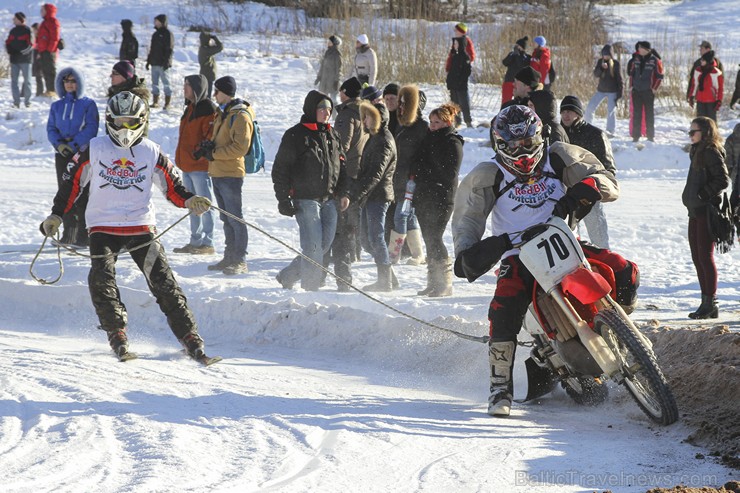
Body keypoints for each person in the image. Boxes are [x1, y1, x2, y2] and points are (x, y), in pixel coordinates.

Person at [451, 105, 638, 417]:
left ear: (538, 137)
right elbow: (467, 219)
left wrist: (583, 190)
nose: (520, 151)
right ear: (500, 144)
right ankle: (500, 387)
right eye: (512, 145)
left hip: (563, 239)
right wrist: (466, 252)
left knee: (625, 271)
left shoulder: (560, 156)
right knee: (504, 306)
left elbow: (607, 179)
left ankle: (618, 327)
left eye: (526, 143)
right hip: (517, 252)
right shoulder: (488, 174)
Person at [39, 91, 213, 360]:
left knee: (164, 283)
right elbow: (72, 183)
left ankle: (189, 335)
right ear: (109, 120)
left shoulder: (151, 151)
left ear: (141, 121)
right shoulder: (93, 148)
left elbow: (174, 188)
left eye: (131, 122)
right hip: (102, 226)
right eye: (119, 122)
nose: (124, 128)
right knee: (102, 279)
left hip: (141, 227)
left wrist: (191, 200)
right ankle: (116, 332)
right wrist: (56, 215)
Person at [272, 90, 349, 291]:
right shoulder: (295, 135)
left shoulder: (333, 135)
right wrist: (283, 199)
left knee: (322, 248)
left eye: (329, 109)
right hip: (306, 200)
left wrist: (344, 192)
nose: (327, 112)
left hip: (330, 199)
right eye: (322, 108)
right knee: (314, 248)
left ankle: (287, 275)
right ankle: (310, 290)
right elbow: (280, 169)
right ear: (311, 109)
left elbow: (342, 167)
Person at [199, 76, 253, 275]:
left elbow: (240, 148)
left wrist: (214, 154)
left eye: (217, 91)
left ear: (226, 92)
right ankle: (229, 256)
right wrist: (210, 147)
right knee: (226, 217)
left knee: (235, 217)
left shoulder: (240, 116)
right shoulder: (224, 113)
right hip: (218, 171)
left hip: (230, 173)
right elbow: (223, 140)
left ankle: (240, 259)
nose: (214, 95)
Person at [412, 103, 464, 297]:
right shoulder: (429, 138)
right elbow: (418, 161)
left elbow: (449, 172)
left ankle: (444, 282)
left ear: (447, 122)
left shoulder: (452, 141)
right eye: (431, 122)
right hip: (424, 196)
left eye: (437, 122)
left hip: (442, 197)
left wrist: (427, 167)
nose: (432, 126)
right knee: (428, 238)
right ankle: (433, 281)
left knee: (435, 237)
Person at [345, 101, 397, 291]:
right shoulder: (374, 138)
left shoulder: (384, 140)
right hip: (370, 195)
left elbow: (375, 173)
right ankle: (390, 276)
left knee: (375, 237)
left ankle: (385, 282)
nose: (364, 120)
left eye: (367, 116)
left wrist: (356, 194)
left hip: (379, 196)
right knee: (367, 240)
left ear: (376, 118)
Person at [682, 117, 730, 319]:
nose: (690, 135)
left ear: (705, 132)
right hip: (694, 211)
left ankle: (710, 303)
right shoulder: (697, 150)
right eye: (690, 131)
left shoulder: (710, 151)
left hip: (706, 212)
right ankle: (706, 302)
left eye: (694, 131)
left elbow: (723, 179)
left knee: (705, 257)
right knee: (697, 257)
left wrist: (703, 195)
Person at [46, 67, 99, 247]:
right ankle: (69, 234)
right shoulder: (57, 105)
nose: (69, 84)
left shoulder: (88, 104)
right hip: (62, 154)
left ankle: (84, 234)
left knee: (82, 193)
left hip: (81, 153)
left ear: (79, 82)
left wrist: (74, 146)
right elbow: (51, 128)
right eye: (66, 81)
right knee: (65, 192)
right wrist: (59, 145)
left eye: (73, 80)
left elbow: (91, 128)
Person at [327, 77, 367, 290]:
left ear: (344, 92)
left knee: (342, 218)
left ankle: (348, 254)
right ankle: (354, 251)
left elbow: (341, 145)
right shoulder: (363, 111)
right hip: (359, 169)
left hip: (347, 171)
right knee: (352, 215)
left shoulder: (345, 115)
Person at [560, 95, 616, 249]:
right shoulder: (557, 134)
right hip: (564, 196)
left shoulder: (596, 135)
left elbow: (608, 168)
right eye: (563, 111)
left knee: (600, 242)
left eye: (570, 111)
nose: (566, 115)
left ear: (579, 113)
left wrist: (594, 185)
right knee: (567, 241)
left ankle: (607, 267)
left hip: (589, 194)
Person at [173, 74, 218, 256]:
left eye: (188, 85)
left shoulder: (208, 109)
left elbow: (209, 137)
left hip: (199, 166)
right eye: (184, 85)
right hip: (187, 166)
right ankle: (195, 240)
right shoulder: (190, 108)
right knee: (193, 204)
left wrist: (197, 154)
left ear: (197, 88)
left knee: (205, 204)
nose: (184, 88)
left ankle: (208, 242)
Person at [389, 84, 428, 266]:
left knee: (401, 216)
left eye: (404, 103)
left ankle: (393, 255)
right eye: (400, 103)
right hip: (399, 178)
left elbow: (423, 156)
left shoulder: (421, 127)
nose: (400, 107)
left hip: (411, 180)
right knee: (409, 215)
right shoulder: (402, 125)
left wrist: (415, 176)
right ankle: (418, 254)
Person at [584, 44, 623, 136]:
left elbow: (619, 78)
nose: (605, 56)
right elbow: (596, 74)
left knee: (610, 111)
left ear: (611, 55)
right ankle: (586, 127)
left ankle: (610, 131)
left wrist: (620, 91)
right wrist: (601, 68)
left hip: (613, 91)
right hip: (601, 90)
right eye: (604, 54)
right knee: (590, 107)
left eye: (607, 55)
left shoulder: (616, 64)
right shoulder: (600, 62)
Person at [628, 41, 663, 143]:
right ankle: (636, 136)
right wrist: (631, 87)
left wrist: (654, 89)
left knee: (649, 114)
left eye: (641, 48)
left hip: (648, 91)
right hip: (636, 90)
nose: (639, 50)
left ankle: (650, 136)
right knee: (636, 113)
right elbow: (631, 74)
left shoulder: (655, 60)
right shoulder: (636, 59)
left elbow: (660, 76)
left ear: (646, 49)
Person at [146, 14, 174, 109]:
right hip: (154, 63)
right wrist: (148, 61)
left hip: (163, 64)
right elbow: (152, 49)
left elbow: (169, 49)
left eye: (157, 21)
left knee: (166, 83)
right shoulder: (155, 34)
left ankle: (167, 103)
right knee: (154, 83)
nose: (155, 23)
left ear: (162, 22)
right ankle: (155, 102)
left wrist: (167, 61)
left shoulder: (167, 34)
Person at [6, 12, 33, 108]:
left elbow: (30, 45)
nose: (13, 20)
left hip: (25, 60)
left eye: (15, 19)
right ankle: (16, 102)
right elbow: (8, 42)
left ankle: (27, 102)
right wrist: (10, 50)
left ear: (20, 19)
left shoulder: (27, 30)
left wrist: (21, 52)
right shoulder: (12, 31)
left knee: (27, 81)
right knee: (14, 81)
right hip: (14, 60)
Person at [687, 50, 724, 122]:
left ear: (708, 61)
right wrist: (691, 96)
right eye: (701, 59)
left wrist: (719, 100)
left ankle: (712, 133)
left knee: (711, 122)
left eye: (703, 60)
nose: (701, 61)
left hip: (712, 102)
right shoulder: (698, 70)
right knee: (700, 122)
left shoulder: (716, 73)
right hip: (700, 100)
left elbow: (720, 89)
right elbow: (694, 85)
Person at [445, 36, 473, 128]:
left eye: (456, 43)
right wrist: (449, 82)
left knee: (464, 104)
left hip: (461, 86)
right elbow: (450, 70)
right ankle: (457, 122)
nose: (454, 45)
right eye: (454, 43)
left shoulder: (465, 56)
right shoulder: (454, 56)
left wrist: (460, 81)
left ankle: (468, 122)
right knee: (454, 105)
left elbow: (467, 72)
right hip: (453, 86)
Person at [687, 40, 723, 106]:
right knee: (700, 116)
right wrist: (690, 95)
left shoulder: (717, 63)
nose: (700, 50)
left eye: (702, 48)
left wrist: (719, 99)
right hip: (700, 98)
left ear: (708, 49)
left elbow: (720, 83)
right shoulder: (697, 63)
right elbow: (692, 80)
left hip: (712, 99)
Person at [37, 3, 60, 98]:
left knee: (50, 71)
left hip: (49, 51)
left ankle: (52, 90)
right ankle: (49, 89)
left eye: (42, 10)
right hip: (43, 51)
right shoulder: (44, 22)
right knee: (45, 71)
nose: (41, 12)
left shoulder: (53, 21)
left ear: (48, 11)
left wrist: (50, 50)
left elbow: (55, 37)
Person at [501, 36, 530, 107]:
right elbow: (505, 62)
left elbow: (520, 65)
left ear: (522, 47)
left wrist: (518, 56)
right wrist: (512, 55)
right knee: (506, 101)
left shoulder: (527, 57)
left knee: (518, 101)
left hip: (520, 83)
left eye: (518, 45)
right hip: (509, 81)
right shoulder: (512, 54)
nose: (516, 47)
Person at [315, 35, 342, 104]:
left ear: (334, 43)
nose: (328, 42)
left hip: (332, 82)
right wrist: (319, 77)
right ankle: (325, 114)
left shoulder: (337, 54)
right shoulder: (327, 52)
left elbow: (339, 69)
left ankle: (335, 114)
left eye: (330, 41)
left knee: (334, 101)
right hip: (324, 81)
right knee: (322, 100)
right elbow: (322, 67)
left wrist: (336, 81)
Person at [198, 31, 223, 97]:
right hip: (207, 75)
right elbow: (220, 47)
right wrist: (214, 38)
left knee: (204, 94)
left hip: (205, 74)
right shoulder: (206, 50)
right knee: (207, 95)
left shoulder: (203, 48)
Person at [31, 23, 44, 96]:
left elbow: (41, 45)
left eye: (34, 30)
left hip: (39, 55)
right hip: (35, 53)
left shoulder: (41, 36)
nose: (34, 32)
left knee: (39, 75)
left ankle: (39, 91)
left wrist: (39, 53)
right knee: (36, 74)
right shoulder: (35, 37)